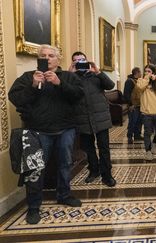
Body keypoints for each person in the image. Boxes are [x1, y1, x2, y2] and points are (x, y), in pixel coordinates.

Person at [8, 44, 84, 224]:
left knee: (65, 164)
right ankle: (34, 207)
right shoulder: (28, 77)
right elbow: (16, 99)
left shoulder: (68, 76)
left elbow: (79, 96)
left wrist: (60, 84)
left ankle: (64, 195)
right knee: (35, 169)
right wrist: (33, 86)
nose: (48, 58)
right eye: (44, 55)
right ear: (38, 59)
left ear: (58, 59)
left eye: (51, 55)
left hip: (65, 129)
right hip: (37, 131)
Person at [69, 51, 116, 187]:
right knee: (88, 148)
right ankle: (94, 171)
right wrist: (69, 75)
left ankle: (107, 175)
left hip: (100, 117)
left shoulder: (95, 76)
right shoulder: (71, 78)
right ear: (73, 63)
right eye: (76, 61)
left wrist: (98, 72)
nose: (80, 62)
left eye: (82, 60)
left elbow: (110, 85)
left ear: (87, 61)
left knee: (104, 148)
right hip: (82, 118)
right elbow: (66, 93)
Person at [124, 67, 144, 144]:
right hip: (133, 106)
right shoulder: (129, 81)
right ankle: (129, 136)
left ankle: (137, 135)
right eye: (140, 72)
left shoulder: (139, 81)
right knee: (133, 121)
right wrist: (130, 104)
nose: (141, 74)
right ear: (137, 73)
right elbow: (126, 94)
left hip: (139, 105)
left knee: (139, 121)